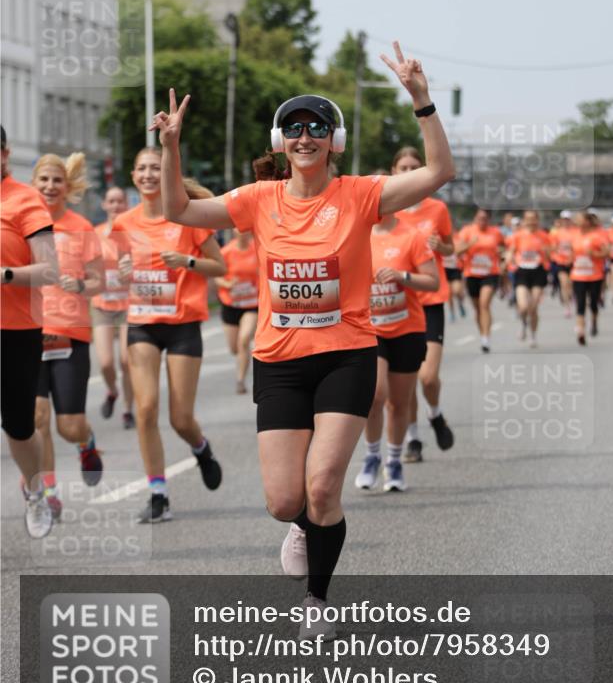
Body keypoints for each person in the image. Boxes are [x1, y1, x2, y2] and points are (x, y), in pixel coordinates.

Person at [155, 42, 455, 633]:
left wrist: (421, 101)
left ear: (333, 141)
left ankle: (317, 600)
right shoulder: (257, 200)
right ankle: (299, 527)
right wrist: (170, 148)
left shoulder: (361, 195)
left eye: (317, 128)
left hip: (346, 357)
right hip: (280, 363)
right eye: (293, 129)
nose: (305, 137)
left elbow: (439, 172)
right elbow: (179, 211)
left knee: (322, 488)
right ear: (280, 141)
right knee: (285, 501)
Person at [111, 151, 226, 523]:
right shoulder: (123, 223)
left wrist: (187, 262)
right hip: (142, 323)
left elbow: (220, 266)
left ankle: (201, 448)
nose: (148, 174)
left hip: (182, 325)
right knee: (145, 409)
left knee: (180, 418)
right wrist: (123, 271)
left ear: (166, 174)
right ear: (133, 175)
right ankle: (158, 494)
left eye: (155, 168)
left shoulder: (187, 216)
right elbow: (122, 271)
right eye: (142, 168)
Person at [32, 153, 105, 517]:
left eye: (56, 180)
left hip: (70, 334)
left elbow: (98, 282)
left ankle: (85, 442)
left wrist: (79, 284)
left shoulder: (81, 227)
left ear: (66, 186)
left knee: (68, 426)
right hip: (27, 332)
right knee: (37, 418)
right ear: (33, 183)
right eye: (43, 180)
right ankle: (48, 492)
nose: (49, 186)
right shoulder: (20, 224)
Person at [355, 184, 438, 490]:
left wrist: (402, 276)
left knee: (398, 403)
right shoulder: (356, 234)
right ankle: (371, 456)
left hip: (407, 329)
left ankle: (393, 461)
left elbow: (433, 282)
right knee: (375, 395)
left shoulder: (411, 236)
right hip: (370, 330)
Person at [1, 126, 59, 538]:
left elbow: (50, 269)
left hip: (15, 329)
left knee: (19, 427)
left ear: (4, 154)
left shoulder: (24, 200)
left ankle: (35, 490)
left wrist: (5, 274)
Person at [391, 146, 455, 463]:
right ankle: (413, 439)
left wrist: (440, 245)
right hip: (397, 305)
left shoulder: (437, 209)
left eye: (413, 167)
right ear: (393, 172)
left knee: (427, 377)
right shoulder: (387, 208)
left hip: (430, 301)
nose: (408, 172)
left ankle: (435, 413)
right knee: (405, 380)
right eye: (402, 168)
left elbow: (451, 248)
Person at [91, 186, 135, 429]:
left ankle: (128, 410)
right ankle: (112, 391)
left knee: (126, 361)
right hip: (102, 305)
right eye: (111, 201)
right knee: (106, 362)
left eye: (120, 201)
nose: (116, 205)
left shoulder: (133, 232)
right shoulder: (95, 233)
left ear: (126, 204)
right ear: (104, 205)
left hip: (129, 305)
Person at [216, 229, 259, 394]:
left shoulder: (257, 249)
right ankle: (243, 355)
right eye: (238, 229)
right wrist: (226, 284)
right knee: (234, 348)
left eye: (246, 230)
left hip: (252, 303)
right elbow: (216, 275)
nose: (242, 232)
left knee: (244, 339)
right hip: (231, 304)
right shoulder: (226, 251)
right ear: (233, 232)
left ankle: (240, 380)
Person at [456, 209, 504, 353]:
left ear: (489, 219)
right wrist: (470, 244)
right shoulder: (467, 231)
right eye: (479, 218)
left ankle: (486, 338)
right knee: (477, 308)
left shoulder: (495, 232)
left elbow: (504, 246)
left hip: (490, 273)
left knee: (484, 304)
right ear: (475, 218)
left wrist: (502, 254)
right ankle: (482, 333)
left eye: (485, 218)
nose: (482, 221)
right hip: (472, 274)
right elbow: (457, 251)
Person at [506, 211, 551, 348]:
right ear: (524, 221)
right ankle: (523, 324)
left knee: (533, 307)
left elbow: (549, 255)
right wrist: (509, 259)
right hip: (522, 271)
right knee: (523, 306)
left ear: (537, 220)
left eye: (533, 219)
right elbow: (511, 251)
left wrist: (546, 252)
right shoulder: (518, 235)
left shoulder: (544, 236)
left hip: (538, 271)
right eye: (528, 219)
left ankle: (533, 335)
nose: (531, 222)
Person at [570, 211, 609, 345]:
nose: (576, 221)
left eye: (579, 219)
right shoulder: (574, 236)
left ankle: (594, 321)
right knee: (580, 303)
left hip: (594, 275)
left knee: (593, 303)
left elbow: (606, 252)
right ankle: (581, 331)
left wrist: (595, 254)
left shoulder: (597, 236)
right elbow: (572, 253)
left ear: (587, 222)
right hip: (578, 275)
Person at [549, 212, 575, 317]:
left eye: (568, 219)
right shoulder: (556, 233)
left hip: (573, 262)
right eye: (564, 219)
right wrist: (556, 252)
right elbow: (553, 248)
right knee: (564, 283)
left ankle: (572, 297)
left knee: (571, 284)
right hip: (560, 261)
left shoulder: (576, 232)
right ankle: (567, 307)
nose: (566, 221)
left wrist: (571, 256)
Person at [443, 231, 466, 322]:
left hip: (455, 269)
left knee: (457, 291)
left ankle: (460, 303)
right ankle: (452, 313)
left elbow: (461, 250)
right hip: (445, 269)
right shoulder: (439, 238)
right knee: (449, 294)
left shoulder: (457, 238)